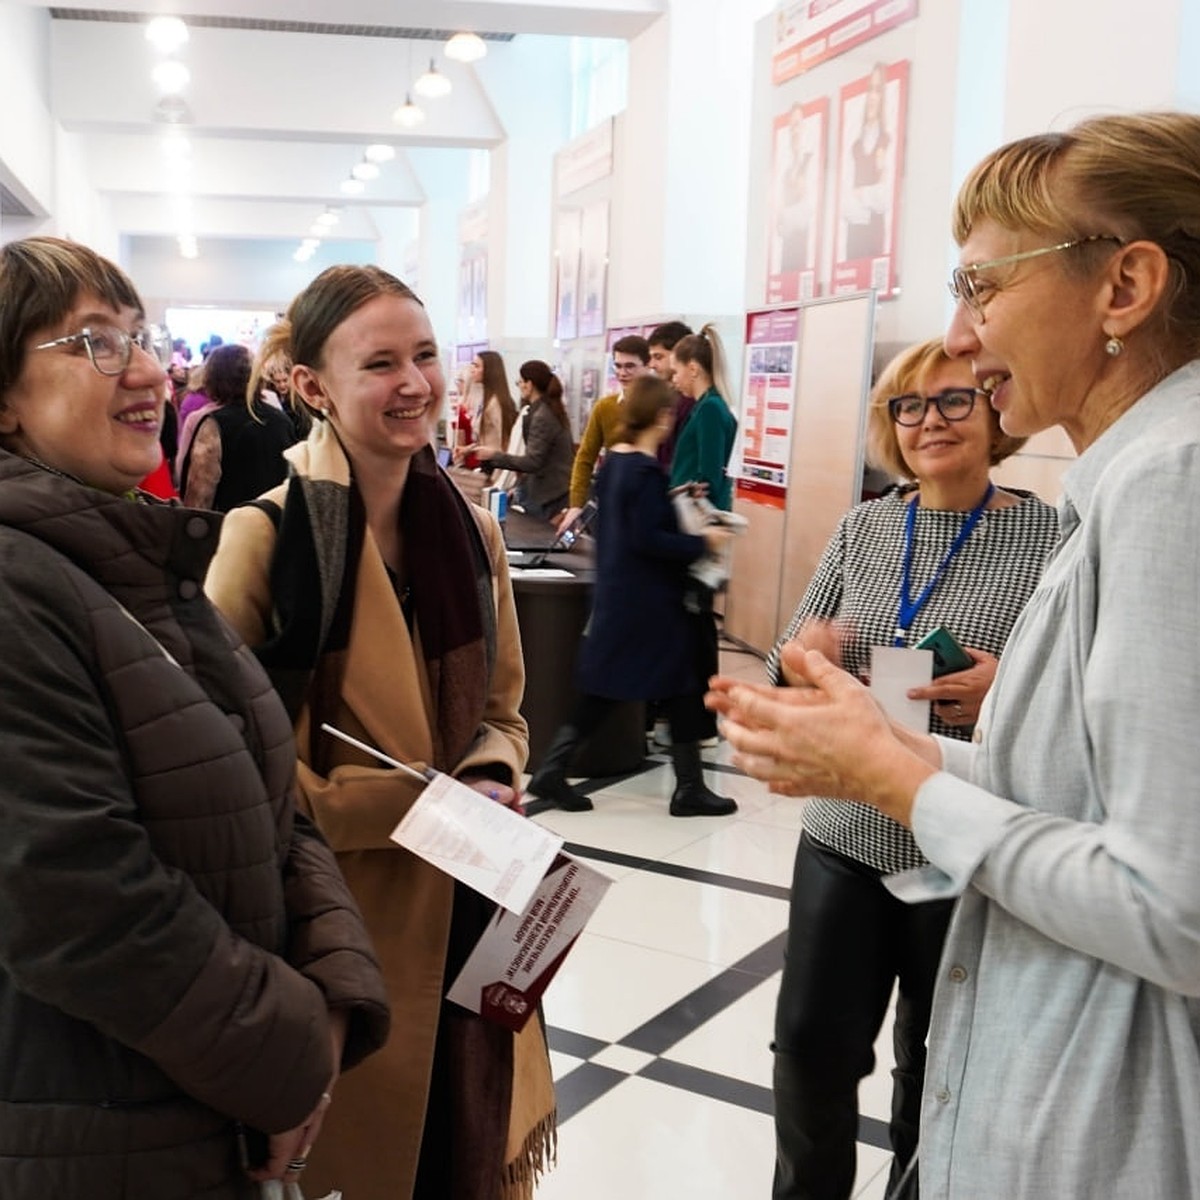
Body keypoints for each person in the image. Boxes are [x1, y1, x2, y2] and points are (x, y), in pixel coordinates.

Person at [709, 110, 1200, 1198]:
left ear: (1124, 288)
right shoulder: (1127, 481)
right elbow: (1076, 801)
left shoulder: (1171, 482)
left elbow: (1173, 905)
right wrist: (880, 747)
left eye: (982, 287)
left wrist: (892, 775)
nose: (963, 341)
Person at [0, 235, 389, 1199]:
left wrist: (332, 1003)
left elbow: (274, 805)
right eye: (91, 343)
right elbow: (76, 900)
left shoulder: (144, 567)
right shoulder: (19, 587)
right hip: (101, 1136)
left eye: (137, 335)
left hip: (203, 1107)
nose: (143, 369)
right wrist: (293, 1056)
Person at [204, 264, 555, 1200]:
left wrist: (487, 776)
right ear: (312, 387)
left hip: (471, 906)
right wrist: (417, 807)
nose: (415, 383)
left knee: (460, 1144)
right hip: (337, 932)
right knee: (366, 1157)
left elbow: (503, 711)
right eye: (381, 363)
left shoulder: (473, 537)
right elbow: (227, 766)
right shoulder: (268, 539)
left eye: (427, 355)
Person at [762, 338, 1058, 1200]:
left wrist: (1004, 684)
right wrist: (800, 657)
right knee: (812, 1049)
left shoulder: (1049, 533)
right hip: (844, 832)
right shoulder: (865, 525)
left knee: (934, 1063)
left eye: (955, 400)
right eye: (911, 406)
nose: (932, 422)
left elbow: (1070, 685)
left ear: (994, 408)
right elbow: (793, 650)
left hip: (956, 841)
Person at [527, 374, 737, 817]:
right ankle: (689, 788)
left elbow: (627, 525)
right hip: (651, 603)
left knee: (606, 690)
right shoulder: (642, 471)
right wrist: (704, 543)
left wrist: (674, 497)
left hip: (622, 598)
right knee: (680, 685)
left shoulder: (615, 466)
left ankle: (555, 768)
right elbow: (649, 539)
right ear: (661, 417)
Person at [179, 341, 297, 511]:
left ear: (213, 378)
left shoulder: (213, 425)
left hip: (231, 527)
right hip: (277, 522)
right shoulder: (281, 419)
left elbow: (199, 496)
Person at [555, 334, 650, 532]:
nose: (622, 372)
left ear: (647, 366)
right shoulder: (605, 407)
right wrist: (576, 504)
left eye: (630, 366)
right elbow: (585, 457)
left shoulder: (660, 408)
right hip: (612, 501)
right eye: (618, 365)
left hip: (647, 502)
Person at [477, 358, 574, 521]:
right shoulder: (547, 410)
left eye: (520, 382)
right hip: (549, 490)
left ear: (529, 384)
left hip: (547, 494)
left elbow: (533, 462)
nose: (519, 386)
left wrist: (493, 456)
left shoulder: (541, 416)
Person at [454, 349, 518, 465]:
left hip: (497, 466)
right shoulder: (485, 400)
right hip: (486, 462)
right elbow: (485, 440)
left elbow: (506, 443)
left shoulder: (496, 403)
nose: (472, 370)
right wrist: (467, 449)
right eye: (473, 365)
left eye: (477, 366)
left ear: (489, 371)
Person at [647, 320, 696, 470]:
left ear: (678, 355)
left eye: (658, 357)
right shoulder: (665, 398)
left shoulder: (692, 403)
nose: (652, 365)